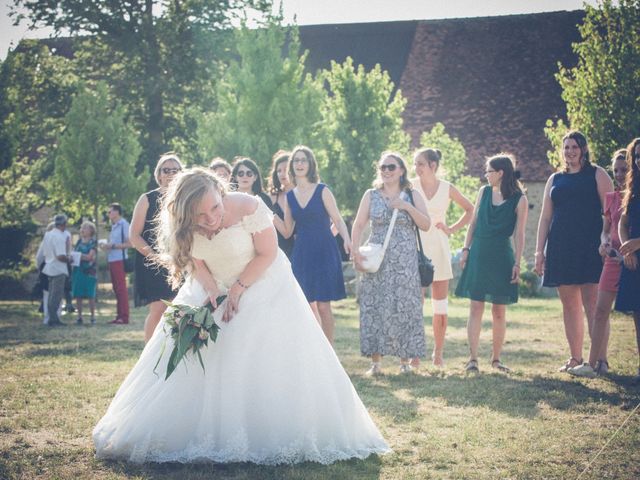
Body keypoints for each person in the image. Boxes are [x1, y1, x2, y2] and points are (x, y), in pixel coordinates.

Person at [93, 167, 390, 464]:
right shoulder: (183, 225)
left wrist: (237, 290)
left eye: (214, 208)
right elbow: (195, 260)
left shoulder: (248, 206)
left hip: (262, 284)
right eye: (201, 216)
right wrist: (211, 289)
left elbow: (268, 253)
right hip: (210, 287)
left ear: (220, 193)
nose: (211, 219)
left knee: (251, 351)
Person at [535, 131, 613, 372]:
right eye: (566, 147)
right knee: (569, 304)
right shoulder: (554, 179)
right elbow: (545, 217)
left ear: (584, 149)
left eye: (574, 147)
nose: (570, 151)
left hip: (590, 246)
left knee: (593, 304)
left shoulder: (597, 174)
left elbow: (610, 213)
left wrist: (606, 239)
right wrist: (540, 251)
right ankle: (576, 358)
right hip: (561, 246)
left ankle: (600, 359)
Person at [351, 152, 431, 375]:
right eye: (383, 167)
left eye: (391, 167)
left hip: (405, 261)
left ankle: (404, 363)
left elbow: (426, 224)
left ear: (402, 171)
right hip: (377, 258)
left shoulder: (412, 195)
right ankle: (375, 363)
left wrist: (406, 207)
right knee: (374, 307)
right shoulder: (371, 195)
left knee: (404, 307)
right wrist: (355, 251)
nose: (386, 171)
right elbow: (358, 225)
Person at [456, 154, 528, 373]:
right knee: (475, 306)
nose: (485, 175)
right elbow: (473, 223)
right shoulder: (484, 192)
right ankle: (473, 359)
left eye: (488, 171)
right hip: (479, 252)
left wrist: (517, 263)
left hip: (501, 255)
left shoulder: (520, 199)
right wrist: (465, 249)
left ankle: (496, 359)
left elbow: (520, 234)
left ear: (500, 173)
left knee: (499, 310)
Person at [411, 148, 474, 367]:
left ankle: (438, 354)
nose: (416, 168)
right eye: (415, 164)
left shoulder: (447, 188)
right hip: (416, 248)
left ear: (433, 166)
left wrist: (452, 229)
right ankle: (415, 354)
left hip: (439, 246)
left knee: (440, 307)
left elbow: (470, 209)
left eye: (420, 163)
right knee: (415, 304)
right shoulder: (410, 186)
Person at [283, 145, 352, 344]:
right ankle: (310, 350)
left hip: (324, 251)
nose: (300, 164)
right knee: (304, 305)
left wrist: (347, 239)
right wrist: (267, 215)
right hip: (302, 254)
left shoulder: (322, 190)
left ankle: (329, 352)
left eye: (304, 160)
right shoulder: (289, 197)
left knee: (323, 306)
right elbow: (287, 231)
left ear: (311, 164)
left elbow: (338, 221)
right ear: (292, 166)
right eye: (296, 160)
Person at [569, 149, 628, 378]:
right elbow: (605, 231)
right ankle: (592, 365)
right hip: (612, 260)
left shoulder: (635, 197)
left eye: (624, 170)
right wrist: (603, 243)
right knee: (600, 311)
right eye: (616, 171)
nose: (620, 175)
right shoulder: (612, 198)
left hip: (633, 259)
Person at [130, 153, 182, 342]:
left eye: (175, 170)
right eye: (165, 170)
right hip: (152, 262)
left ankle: (172, 351)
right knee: (158, 308)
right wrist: (156, 257)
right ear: (158, 175)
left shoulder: (186, 200)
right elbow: (134, 235)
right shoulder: (147, 199)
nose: (170, 174)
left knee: (179, 308)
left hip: (180, 261)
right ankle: (150, 357)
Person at [615, 138, 640, 382]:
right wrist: (627, 249)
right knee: (638, 313)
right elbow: (623, 223)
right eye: (638, 157)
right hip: (634, 258)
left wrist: (637, 243)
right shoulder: (633, 189)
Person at [100, 203, 131, 325]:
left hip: (119, 260)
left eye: (110, 211)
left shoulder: (124, 224)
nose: (108, 214)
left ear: (117, 212)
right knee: (116, 289)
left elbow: (130, 244)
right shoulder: (113, 226)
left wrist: (111, 246)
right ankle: (119, 316)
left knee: (121, 289)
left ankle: (124, 317)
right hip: (112, 260)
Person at [43, 214, 71, 327]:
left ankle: (51, 317)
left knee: (51, 295)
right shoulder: (59, 237)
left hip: (49, 266)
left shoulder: (48, 235)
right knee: (56, 296)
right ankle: (53, 319)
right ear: (63, 225)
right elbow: (60, 256)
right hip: (58, 268)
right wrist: (70, 259)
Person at [268, 150, 295, 258]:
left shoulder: (305, 195)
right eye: (279, 170)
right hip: (279, 252)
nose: (282, 174)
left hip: (302, 249)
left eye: (286, 169)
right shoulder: (271, 197)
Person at [71, 221, 98, 325]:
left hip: (89, 272)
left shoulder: (93, 242)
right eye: (81, 227)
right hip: (78, 271)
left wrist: (78, 255)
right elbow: (75, 255)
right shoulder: (78, 242)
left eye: (85, 227)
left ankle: (92, 317)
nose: (82, 229)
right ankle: (79, 317)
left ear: (91, 230)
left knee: (91, 294)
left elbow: (89, 257)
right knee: (78, 294)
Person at [35, 222, 56, 325]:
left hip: (48, 269)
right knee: (51, 293)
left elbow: (38, 259)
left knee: (49, 294)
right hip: (48, 270)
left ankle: (50, 317)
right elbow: (39, 258)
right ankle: (52, 316)